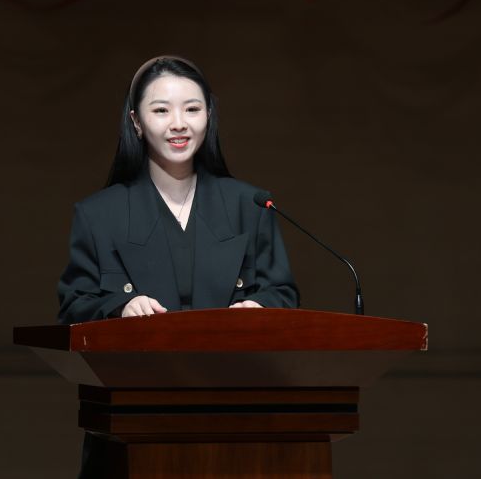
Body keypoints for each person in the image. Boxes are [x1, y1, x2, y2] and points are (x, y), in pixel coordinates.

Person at [56, 55, 299, 477]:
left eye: (192, 108)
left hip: (238, 417)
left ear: (209, 115)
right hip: (132, 422)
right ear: (136, 122)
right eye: (161, 110)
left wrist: (260, 309)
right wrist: (119, 308)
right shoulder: (99, 214)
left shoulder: (251, 205)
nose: (179, 124)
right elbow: (73, 307)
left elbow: (283, 293)